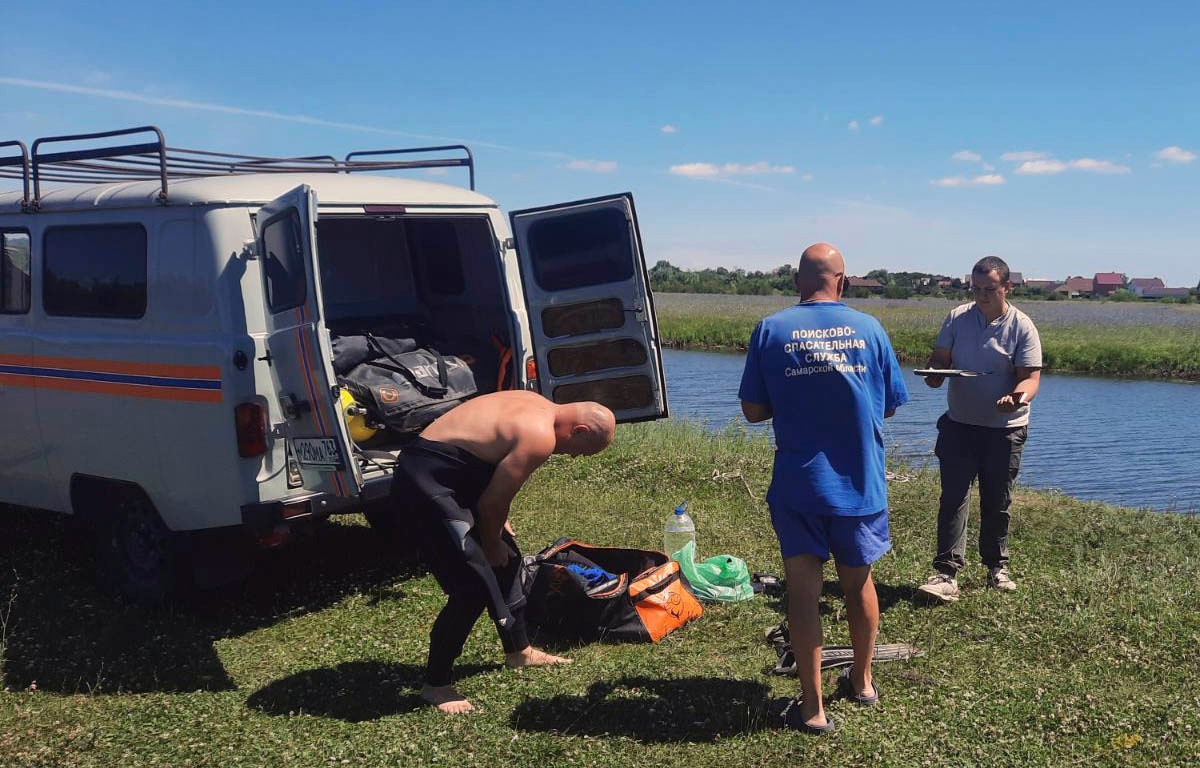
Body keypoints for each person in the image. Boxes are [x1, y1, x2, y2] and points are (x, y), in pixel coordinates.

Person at [739, 242, 909, 734]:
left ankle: (813, 709)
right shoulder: (871, 329)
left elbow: (752, 410)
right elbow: (890, 404)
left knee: (803, 593)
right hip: (859, 484)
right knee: (858, 585)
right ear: (844, 280)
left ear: (798, 282)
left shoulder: (771, 329)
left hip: (799, 485)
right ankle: (862, 680)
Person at [389, 390, 617, 714]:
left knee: (508, 563)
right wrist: (490, 539)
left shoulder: (536, 403)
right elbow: (491, 503)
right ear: (578, 431)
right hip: (425, 483)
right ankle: (436, 684)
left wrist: (496, 529)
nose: (574, 458)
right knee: (470, 587)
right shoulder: (539, 436)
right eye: (582, 452)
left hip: (452, 475)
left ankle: (518, 651)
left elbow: (480, 459)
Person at [916, 256, 1042, 604]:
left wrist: (1017, 398)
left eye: (989, 289)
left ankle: (996, 567)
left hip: (1004, 430)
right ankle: (946, 573)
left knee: (996, 501)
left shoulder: (1022, 326)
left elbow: (1031, 379)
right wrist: (935, 372)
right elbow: (940, 358)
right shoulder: (957, 317)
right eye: (976, 289)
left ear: (1006, 287)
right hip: (959, 426)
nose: (982, 295)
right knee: (953, 498)